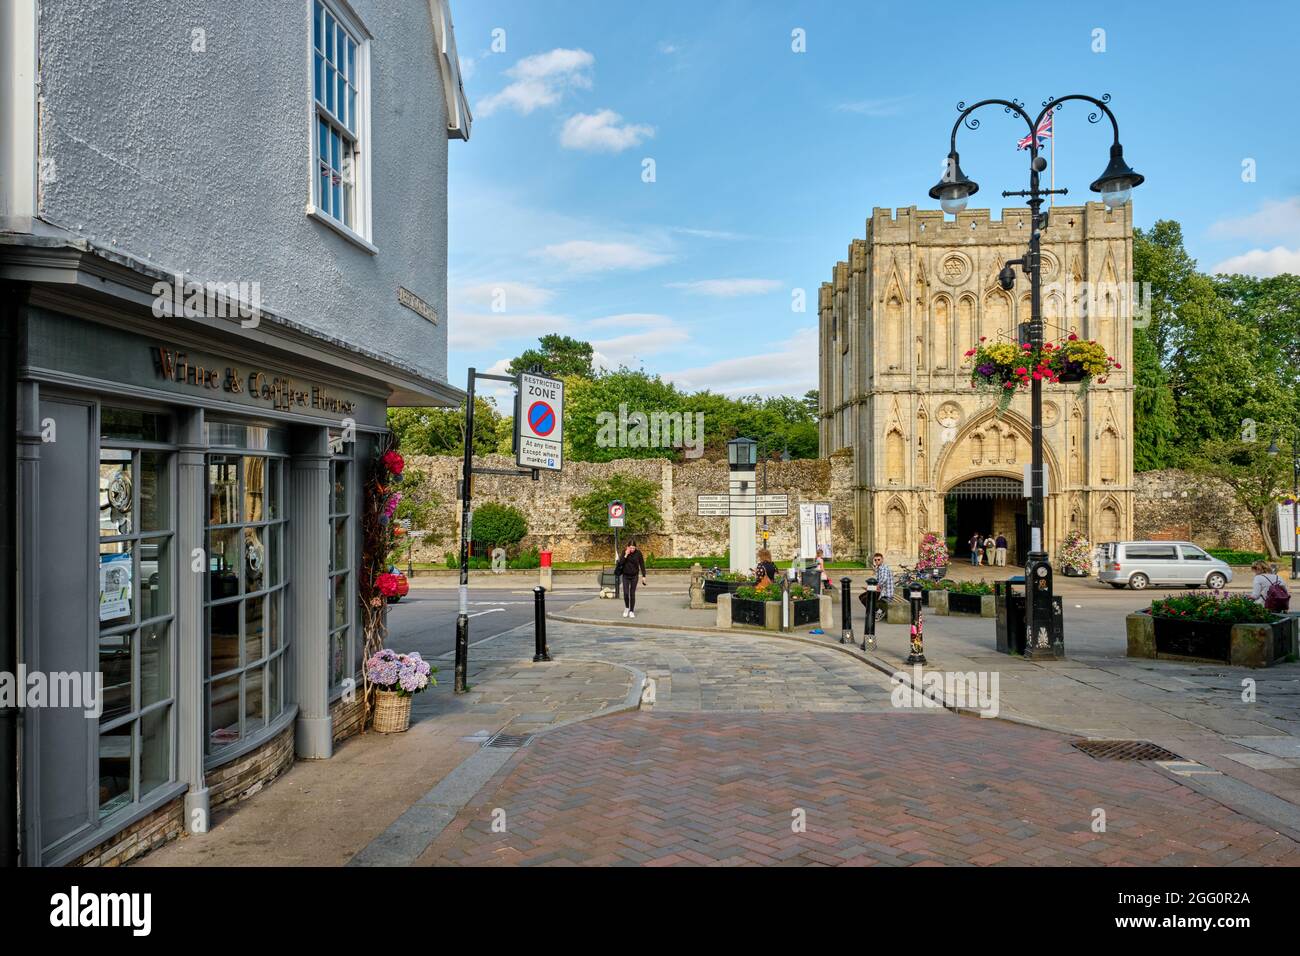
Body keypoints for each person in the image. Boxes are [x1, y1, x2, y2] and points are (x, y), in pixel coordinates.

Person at [859, 551, 895, 623]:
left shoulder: (883, 568)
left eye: (878, 559)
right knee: (861, 597)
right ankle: (873, 612)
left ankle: (879, 612)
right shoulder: (879, 568)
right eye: (875, 560)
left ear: (882, 559)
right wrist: (871, 588)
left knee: (865, 599)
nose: (877, 561)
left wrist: (876, 587)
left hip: (885, 592)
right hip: (880, 590)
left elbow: (884, 579)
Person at [617, 541, 647, 618]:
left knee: (632, 593)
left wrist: (644, 576)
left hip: (634, 576)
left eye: (633, 548)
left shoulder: (638, 553)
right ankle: (627, 608)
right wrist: (626, 554)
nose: (632, 549)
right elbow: (620, 563)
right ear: (628, 547)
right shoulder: (624, 552)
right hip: (625, 576)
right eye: (631, 548)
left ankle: (631, 611)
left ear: (635, 547)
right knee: (626, 593)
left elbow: (642, 564)